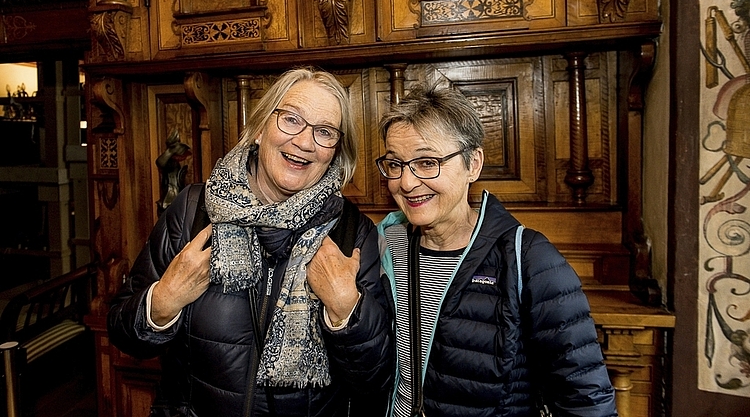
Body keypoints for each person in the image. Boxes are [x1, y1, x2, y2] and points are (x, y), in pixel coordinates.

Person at [108, 68, 393, 417]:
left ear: (335, 151)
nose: (304, 142)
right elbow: (123, 333)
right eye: (291, 119)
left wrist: (347, 310)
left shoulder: (352, 234)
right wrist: (163, 301)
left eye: (324, 132)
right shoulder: (193, 211)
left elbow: (375, 381)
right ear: (260, 129)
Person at [375, 84, 618, 417]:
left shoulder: (529, 259)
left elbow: (585, 400)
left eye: (427, 162)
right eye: (395, 164)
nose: (406, 182)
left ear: (472, 164)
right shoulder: (385, 245)